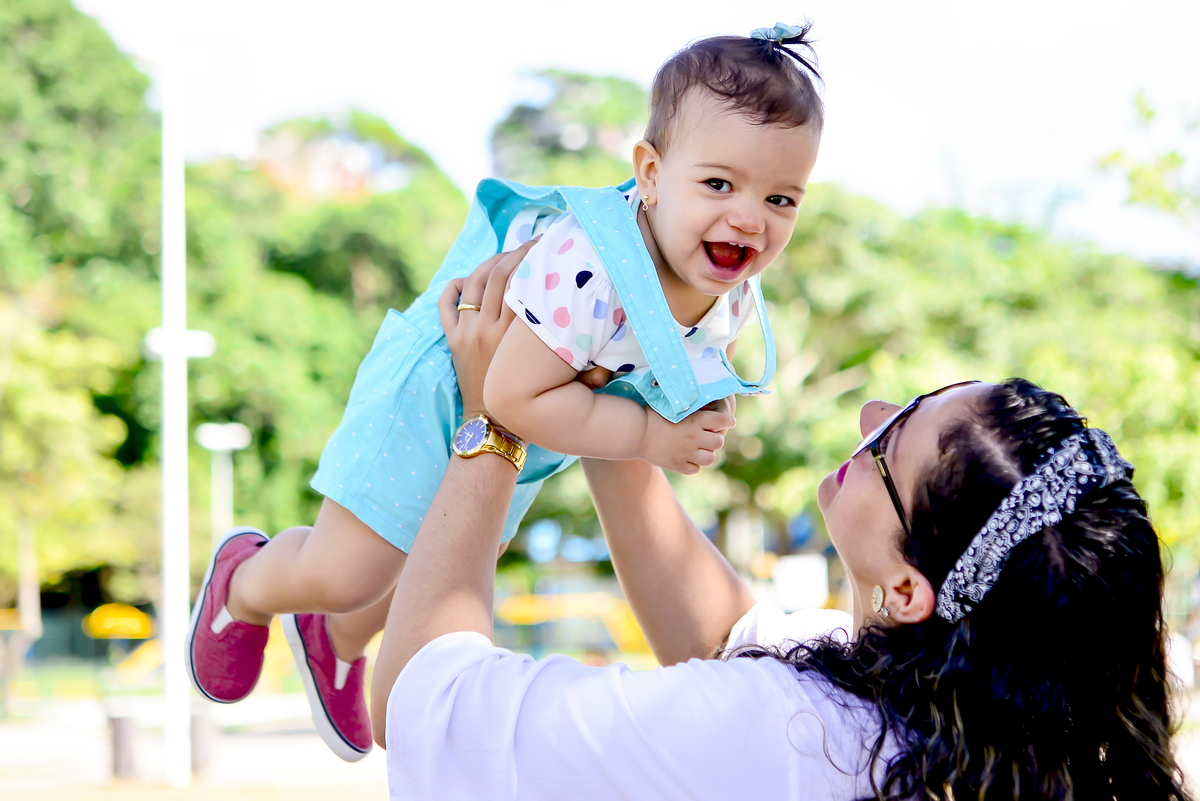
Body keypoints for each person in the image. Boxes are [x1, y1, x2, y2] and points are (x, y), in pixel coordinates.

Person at [186, 23, 822, 761]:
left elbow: (685, 366)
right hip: (448, 388)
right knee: (350, 568)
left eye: (781, 199)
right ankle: (248, 584)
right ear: (649, 174)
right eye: (719, 183)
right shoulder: (595, 267)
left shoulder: (730, 291)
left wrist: (700, 405)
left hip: (546, 428)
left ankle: (334, 638)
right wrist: (651, 438)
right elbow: (508, 395)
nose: (749, 218)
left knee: (436, 564)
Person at [369, 252, 1192, 799]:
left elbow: (423, 705)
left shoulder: (800, 736)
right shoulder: (988, 741)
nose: (869, 413)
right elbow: (729, 633)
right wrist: (597, 405)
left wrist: (493, 422)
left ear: (908, 587)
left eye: (890, 438)